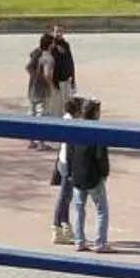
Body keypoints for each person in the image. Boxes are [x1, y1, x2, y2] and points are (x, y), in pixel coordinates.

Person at [65, 98, 111, 252]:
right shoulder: (97, 131)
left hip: (77, 176)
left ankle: (79, 241)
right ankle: (100, 243)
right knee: (102, 209)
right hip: (93, 177)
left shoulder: (75, 129)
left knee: (79, 208)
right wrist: (105, 172)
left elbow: (69, 153)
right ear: (95, 113)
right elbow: (101, 156)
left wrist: (70, 172)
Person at [51, 97, 85, 243]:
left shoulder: (66, 118)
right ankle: (56, 227)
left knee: (67, 196)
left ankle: (65, 225)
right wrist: (72, 170)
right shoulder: (72, 123)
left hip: (63, 161)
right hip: (68, 163)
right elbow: (70, 148)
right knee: (64, 197)